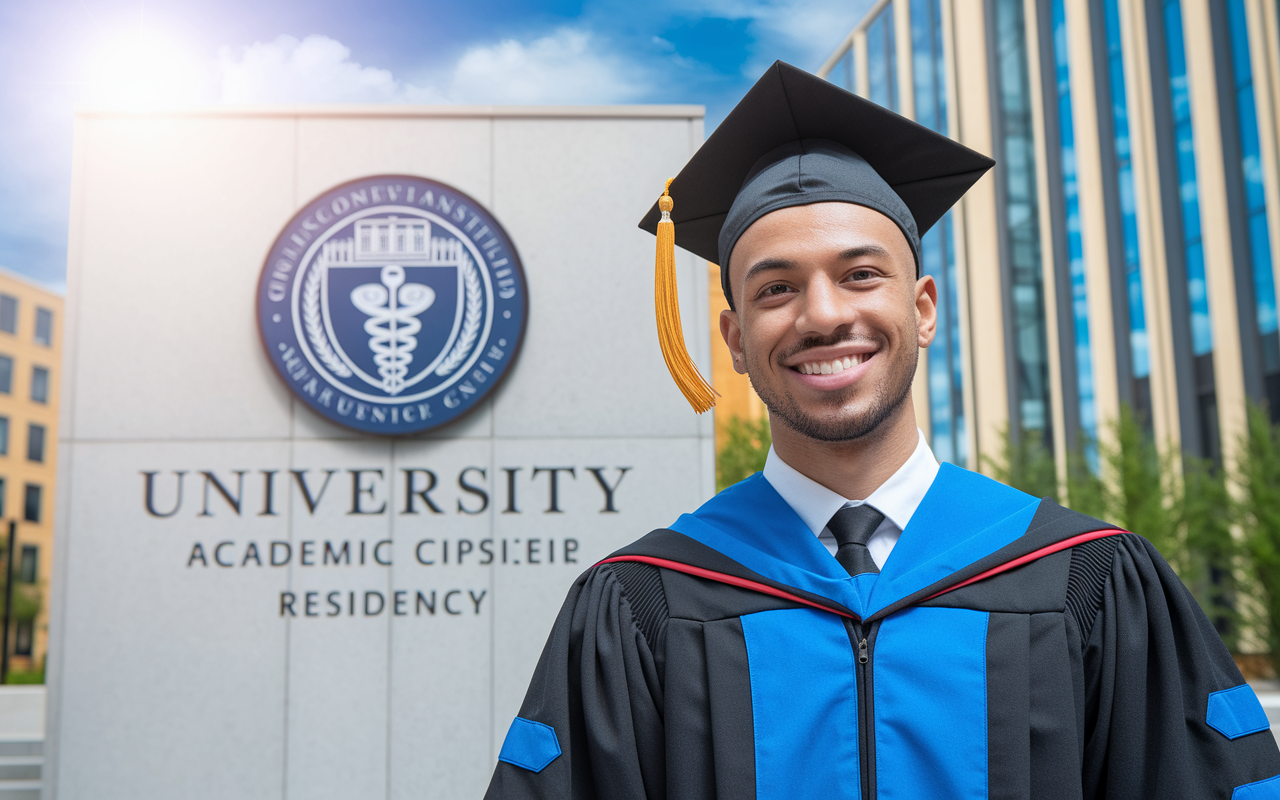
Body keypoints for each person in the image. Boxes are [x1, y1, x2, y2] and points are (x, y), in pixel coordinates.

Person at [484, 61, 1280, 799]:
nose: (825, 315)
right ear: (733, 341)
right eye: (776, 289)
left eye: (860, 274)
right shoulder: (642, 603)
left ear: (923, 308)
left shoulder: (1088, 582)